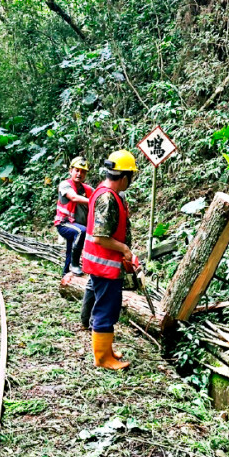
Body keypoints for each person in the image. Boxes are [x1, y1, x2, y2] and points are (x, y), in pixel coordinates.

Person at [82, 149, 138, 370]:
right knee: (106, 308)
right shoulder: (107, 198)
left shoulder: (104, 192)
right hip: (104, 265)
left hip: (102, 264)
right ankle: (103, 359)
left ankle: (105, 350)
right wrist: (125, 249)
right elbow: (100, 237)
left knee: (106, 306)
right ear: (124, 177)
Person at [54, 157, 93, 276]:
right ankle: (74, 265)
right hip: (64, 224)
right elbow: (74, 197)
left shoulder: (86, 189)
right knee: (82, 232)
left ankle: (65, 275)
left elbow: (99, 194)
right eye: (77, 170)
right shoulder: (65, 185)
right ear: (71, 171)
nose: (79, 174)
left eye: (83, 171)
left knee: (70, 250)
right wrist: (93, 201)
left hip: (75, 224)